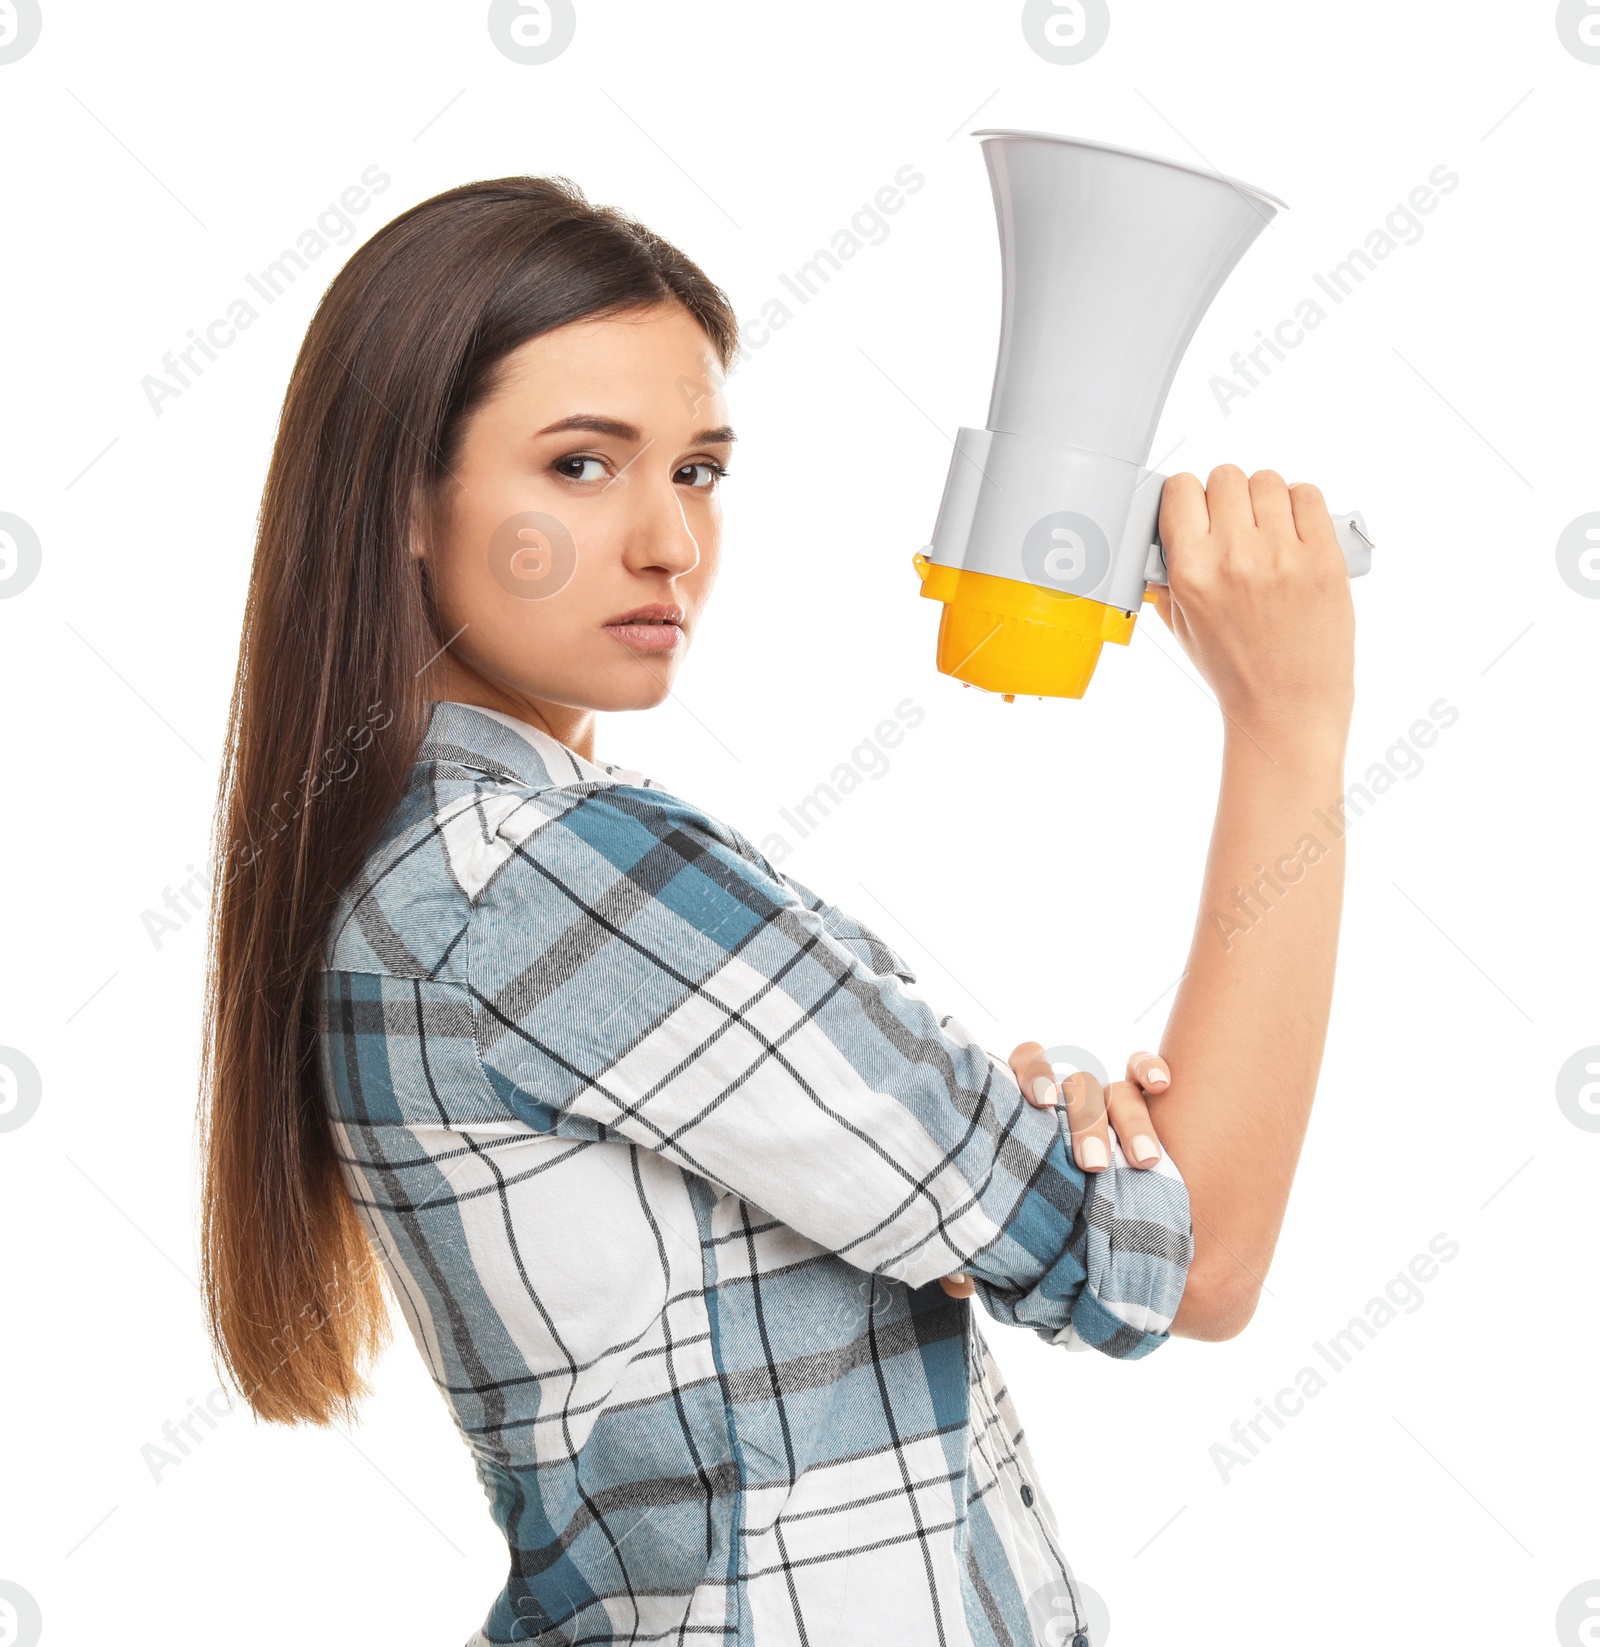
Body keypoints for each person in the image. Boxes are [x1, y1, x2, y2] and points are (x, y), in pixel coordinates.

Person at [198, 174, 1354, 1646]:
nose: (670, 543)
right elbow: (1193, 1259)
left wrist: (967, 1167)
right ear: (407, 503)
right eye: (579, 465)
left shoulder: (432, 866)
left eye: (696, 470)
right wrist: (1293, 718)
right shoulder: (548, 879)